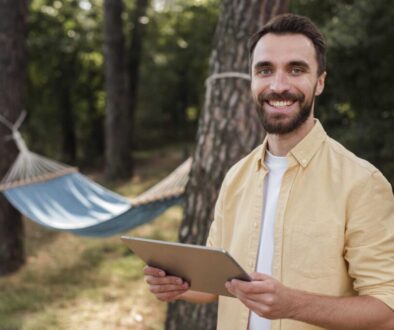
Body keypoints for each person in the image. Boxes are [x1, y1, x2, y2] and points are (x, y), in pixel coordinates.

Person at [144, 14, 394, 330]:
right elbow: (214, 285)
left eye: (296, 70)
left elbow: (387, 311)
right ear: (251, 80)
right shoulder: (236, 176)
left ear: (320, 82)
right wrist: (177, 284)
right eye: (265, 70)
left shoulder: (362, 183)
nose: (278, 85)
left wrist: (294, 305)